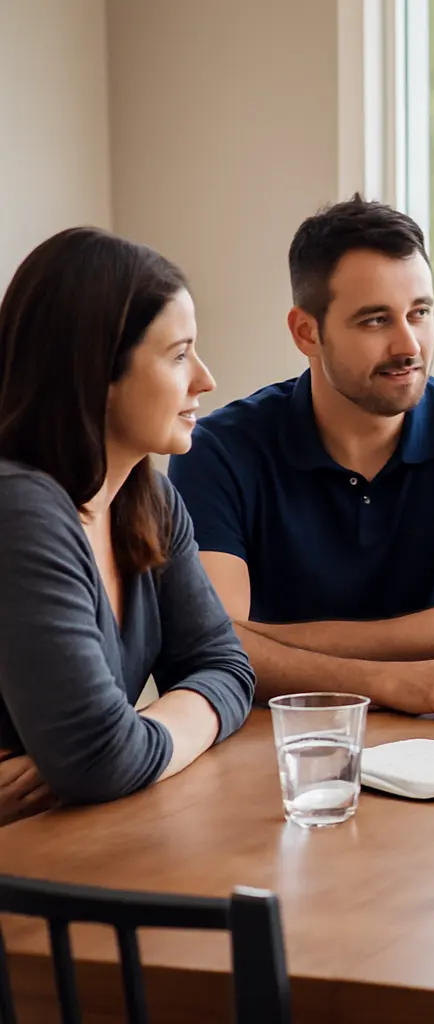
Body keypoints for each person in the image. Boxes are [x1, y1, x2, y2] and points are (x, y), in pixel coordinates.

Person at [168, 196, 434, 717]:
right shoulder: (218, 450)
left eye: (420, 313)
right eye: (375, 320)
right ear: (307, 332)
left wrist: (274, 645)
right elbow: (213, 647)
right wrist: (385, 681)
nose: (409, 345)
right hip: (281, 743)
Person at [0, 228, 255, 826]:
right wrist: (114, 753)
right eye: (179, 355)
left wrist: (136, 738)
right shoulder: (19, 507)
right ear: (97, 372)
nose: (205, 379)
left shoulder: (150, 501)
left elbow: (228, 667)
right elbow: (99, 762)